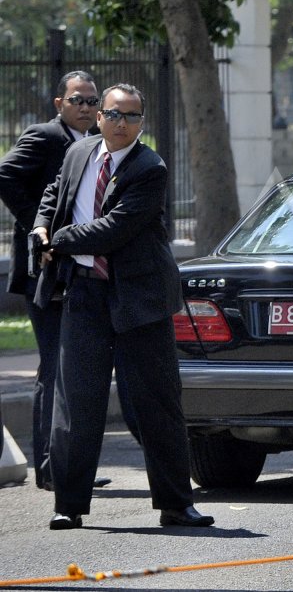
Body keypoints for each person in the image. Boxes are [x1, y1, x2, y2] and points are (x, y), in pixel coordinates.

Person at [32, 83, 213, 530]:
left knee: (157, 401)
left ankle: (176, 504)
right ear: (99, 117)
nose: (121, 123)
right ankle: (69, 505)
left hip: (139, 297)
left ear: (142, 123)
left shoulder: (150, 167)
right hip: (84, 292)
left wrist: (58, 239)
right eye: (113, 114)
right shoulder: (78, 154)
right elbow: (55, 194)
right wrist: (40, 226)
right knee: (76, 401)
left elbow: (114, 228)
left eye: (132, 116)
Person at [0, 71, 134, 491]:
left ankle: (68, 466)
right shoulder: (45, 136)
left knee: (72, 369)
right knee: (54, 368)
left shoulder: (97, 145)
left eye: (93, 101)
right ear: (60, 104)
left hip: (79, 272)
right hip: (45, 271)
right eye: (78, 100)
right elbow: (5, 175)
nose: (87, 108)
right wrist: (38, 226)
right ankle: (50, 468)